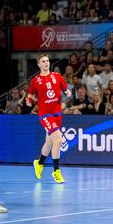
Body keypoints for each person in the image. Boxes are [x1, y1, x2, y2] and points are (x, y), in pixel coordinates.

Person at [26, 54, 72, 184]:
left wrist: (68, 93)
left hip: (57, 114)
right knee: (58, 138)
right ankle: (56, 171)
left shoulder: (57, 76)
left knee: (49, 142)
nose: (46, 63)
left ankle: (39, 163)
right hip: (45, 115)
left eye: (47, 61)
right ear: (39, 64)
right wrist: (29, 101)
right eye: (43, 61)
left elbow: (66, 90)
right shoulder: (35, 80)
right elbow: (30, 95)